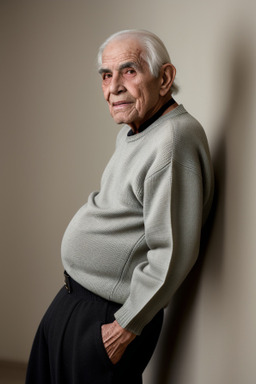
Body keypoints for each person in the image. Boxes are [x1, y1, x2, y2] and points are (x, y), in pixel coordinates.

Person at [26, 29, 214, 384]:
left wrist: (124, 328)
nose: (114, 87)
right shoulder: (136, 130)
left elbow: (172, 251)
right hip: (72, 300)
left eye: (129, 71)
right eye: (106, 75)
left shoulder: (174, 140)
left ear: (165, 78)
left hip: (107, 318)